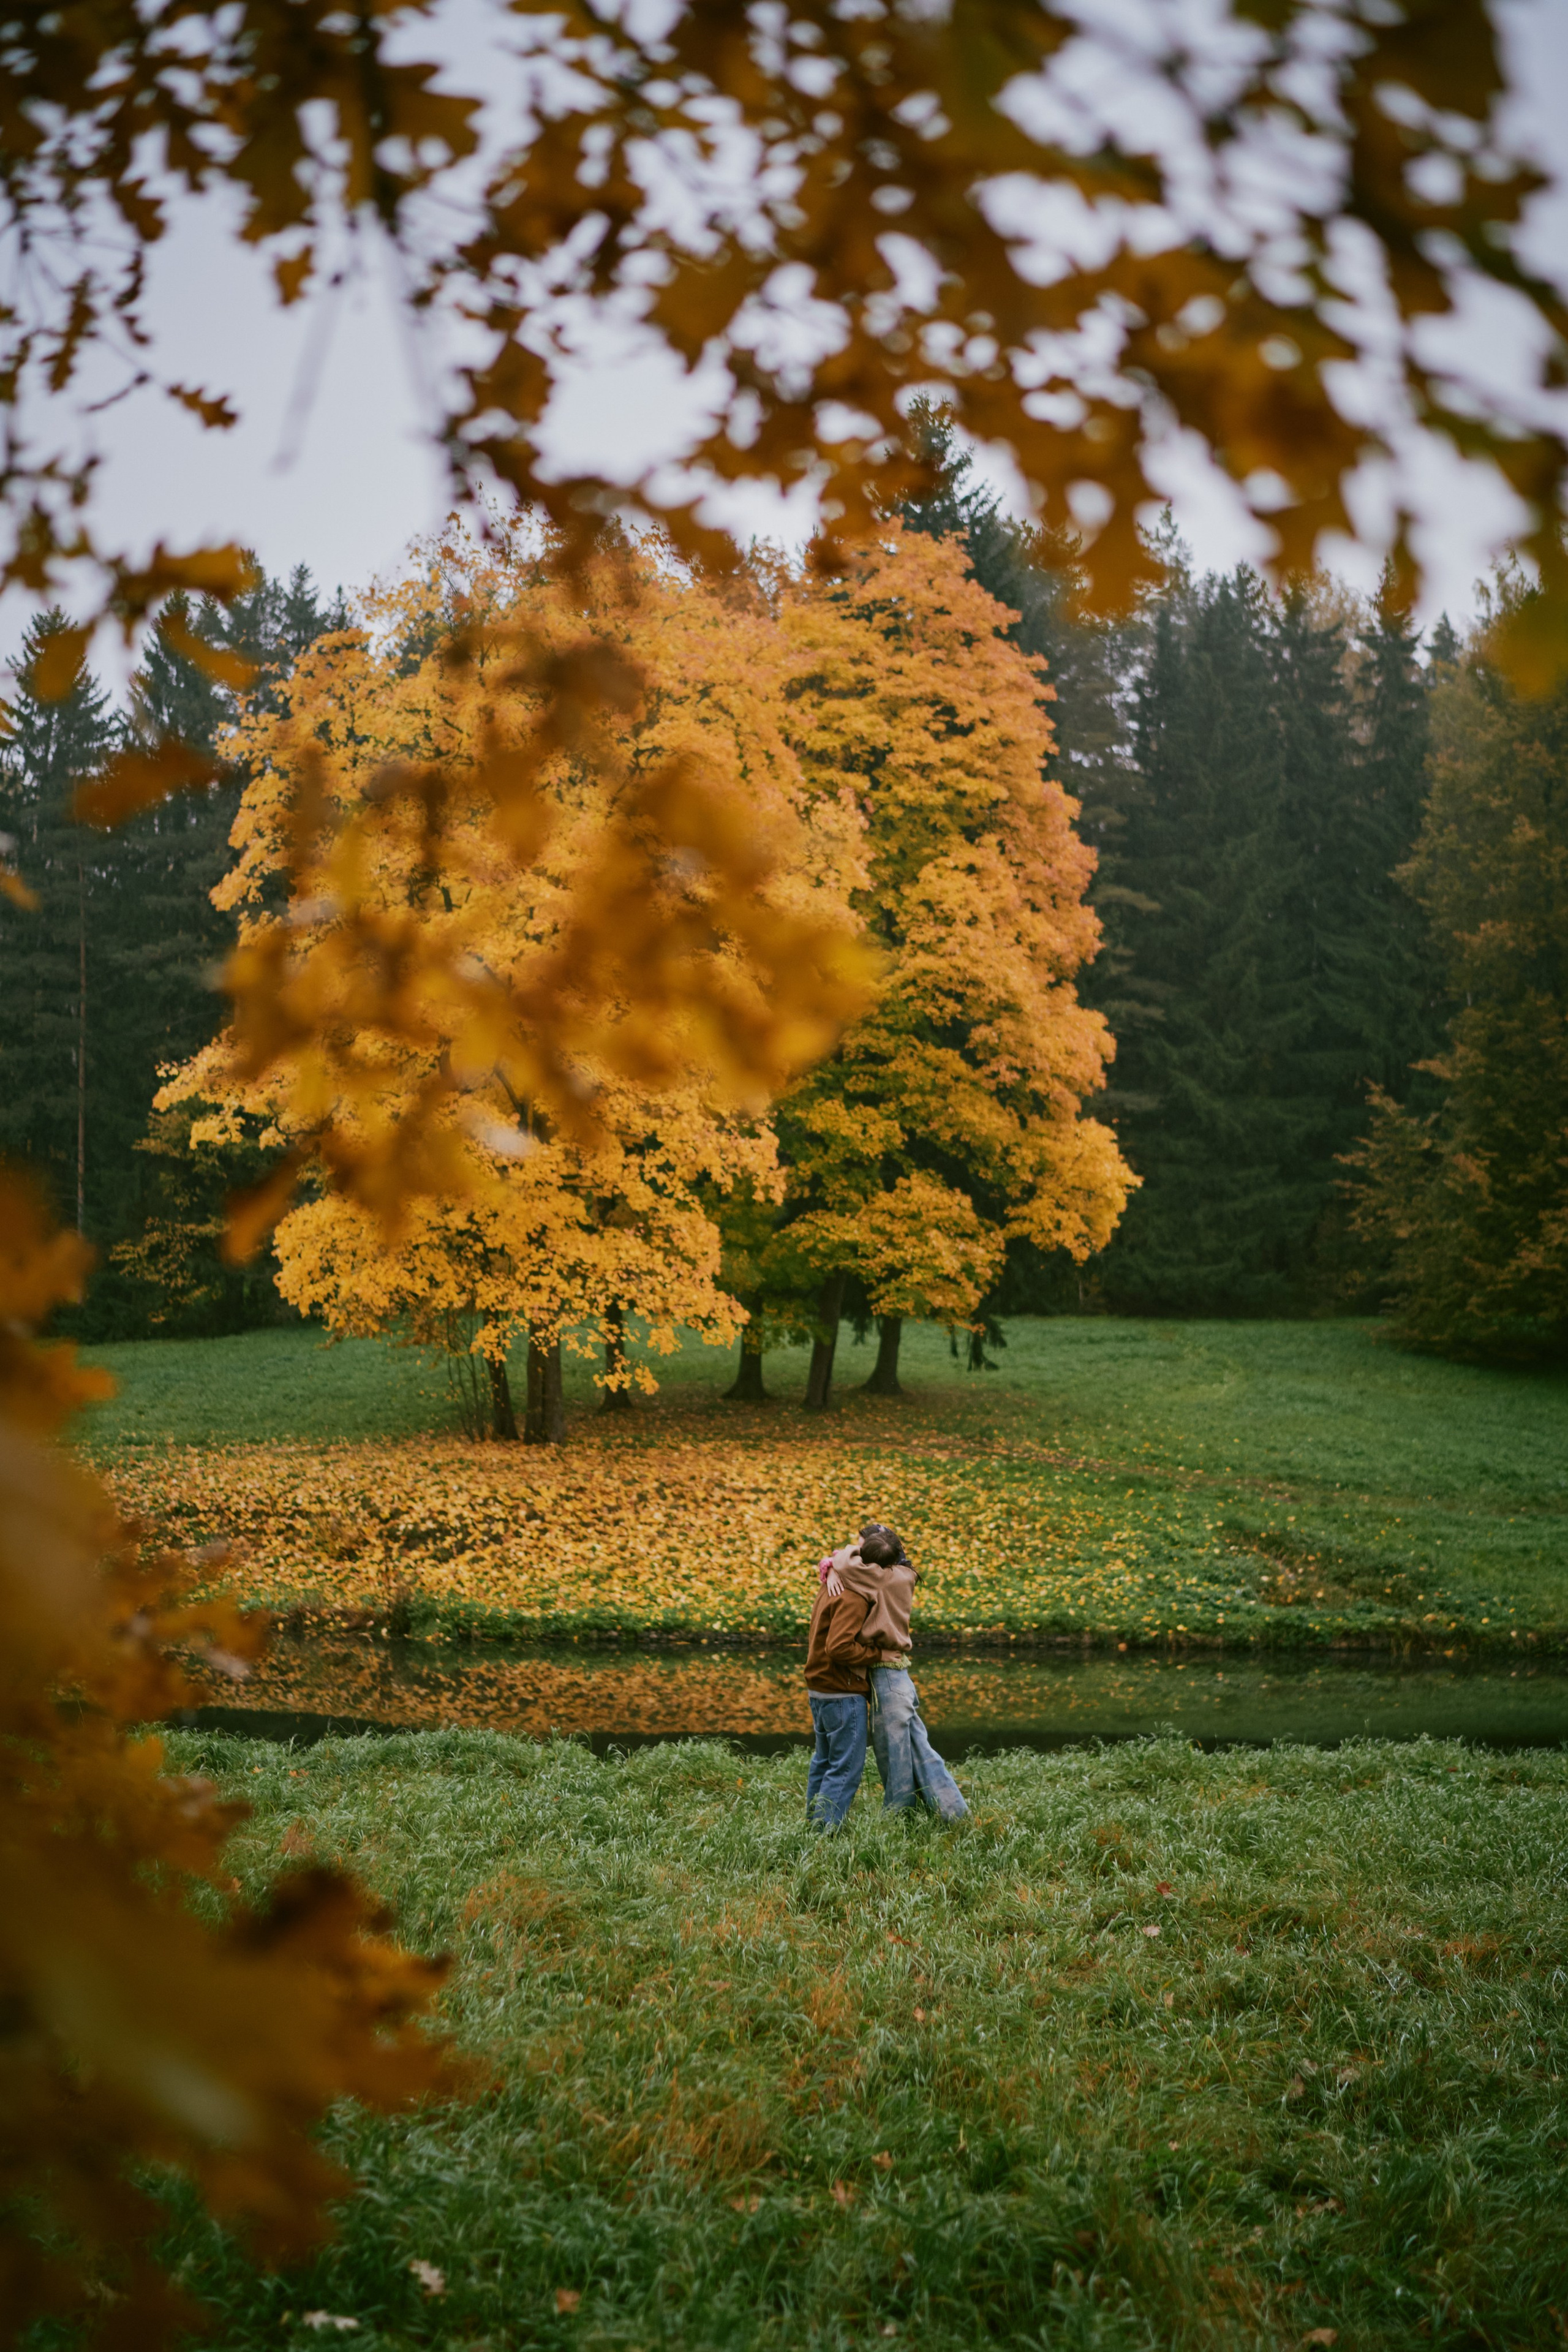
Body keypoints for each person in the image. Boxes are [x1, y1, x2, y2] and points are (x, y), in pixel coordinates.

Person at [823, 1522, 968, 1822]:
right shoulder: (904, 1573)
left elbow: (844, 1561)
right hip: (897, 1674)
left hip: (886, 1675)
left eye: (862, 1547)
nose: (858, 1552)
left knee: (894, 1757)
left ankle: (900, 1817)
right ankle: (953, 1813)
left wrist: (832, 1566)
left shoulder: (878, 1579)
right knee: (919, 1749)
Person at [802, 1536, 887, 1830]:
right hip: (841, 1691)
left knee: (824, 1761)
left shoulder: (833, 1582)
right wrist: (877, 1654)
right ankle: (826, 1830)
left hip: (820, 1687)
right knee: (846, 1766)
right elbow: (838, 1647)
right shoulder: (853, 1596)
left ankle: (813, 1822)